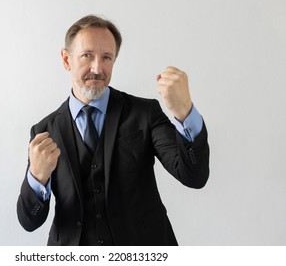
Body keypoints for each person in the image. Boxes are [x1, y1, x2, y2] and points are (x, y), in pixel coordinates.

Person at [17, 15, 210, 246]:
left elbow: (194, 176)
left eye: (107, 57)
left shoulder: (145, 113)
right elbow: (29, 221)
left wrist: (185, 112)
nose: (97, 68)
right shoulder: (44, 131)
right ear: (66, 59)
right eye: (87, 55)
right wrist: (38, 177)